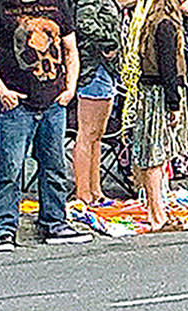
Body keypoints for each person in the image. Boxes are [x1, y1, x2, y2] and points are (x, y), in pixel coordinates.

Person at [0, 0, 93, 250]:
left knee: (54, 166)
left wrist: (70, 88)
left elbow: (70, 49)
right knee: (10, 167)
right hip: (17, 104)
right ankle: (3, 229)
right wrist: (1, 90)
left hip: (53, 102)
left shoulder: (56, 5)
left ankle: (55, 222)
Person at [130, 0, 188, 229]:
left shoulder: (148, 22)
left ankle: (155, 210)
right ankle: (158, 216)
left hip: (147, 92)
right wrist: (174, 103)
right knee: (157, 156)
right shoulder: (166, 25)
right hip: (160, 94)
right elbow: (169, 67)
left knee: (148, 157)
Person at [73, 0, 127, 205]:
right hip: (94, 68)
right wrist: (109, 43)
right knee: (87, 133)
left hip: (107, 69)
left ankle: (96, 189)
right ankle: (83, 191)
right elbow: (84, 22)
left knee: (97, 134)